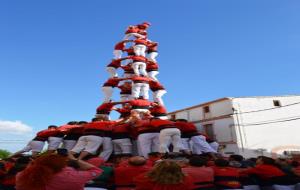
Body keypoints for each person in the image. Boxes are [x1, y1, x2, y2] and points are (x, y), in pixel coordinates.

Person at [15, 153, 102, 190]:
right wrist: (74, 159)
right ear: (62, 164)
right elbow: (96, 170)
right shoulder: (74, 176)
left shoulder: (22, 175)